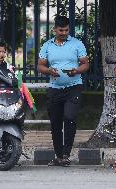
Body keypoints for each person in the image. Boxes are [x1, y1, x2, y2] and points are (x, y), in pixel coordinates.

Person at [37, 15, 89, 166]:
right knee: (55, 123)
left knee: (69, 117)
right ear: (55, 30)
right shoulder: (47, 45)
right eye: (61, 30)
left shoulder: (77, 44)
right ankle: (59, 156)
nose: (64, 33)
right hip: (55, 89)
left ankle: (66, 153)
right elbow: (40, 65)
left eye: (66, 30)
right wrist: (49, 71)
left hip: (74, 87)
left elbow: (86, 64)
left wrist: (76, 70)